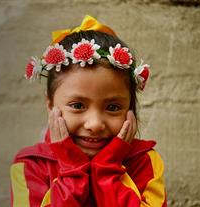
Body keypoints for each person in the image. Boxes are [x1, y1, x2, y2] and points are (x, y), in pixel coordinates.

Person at [10, 15, 166, 207]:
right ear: (50, 105)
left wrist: (108, 168)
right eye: (77, 106)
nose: (94, 124)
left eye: (113, 107)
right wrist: (71, 170)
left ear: (130, 108)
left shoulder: (145, 161)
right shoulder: (31, 165)